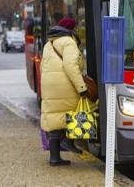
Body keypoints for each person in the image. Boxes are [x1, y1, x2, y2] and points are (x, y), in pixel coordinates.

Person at [40, 16, 88, 166]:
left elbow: (43, 66)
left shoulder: (49, 43)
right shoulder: (69, 42)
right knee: (77, 111)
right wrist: (82, 87)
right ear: (71, 29)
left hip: (50, 85)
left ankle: (54, 157)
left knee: (55, 118)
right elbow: (70, 66)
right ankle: (69, 141)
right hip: (64, 84)